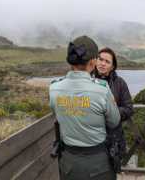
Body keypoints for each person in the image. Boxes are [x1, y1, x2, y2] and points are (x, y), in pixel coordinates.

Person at [49, 36, 120, 180]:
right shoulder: (102, 89)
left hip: (68, 162)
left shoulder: (54, 88)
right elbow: (114, 121)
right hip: (98, 163)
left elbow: (56, 114)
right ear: (93, 62)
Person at [92, 47, 134, 173]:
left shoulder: (120, 83)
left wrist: (111, 110)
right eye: (100, 59)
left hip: (113, 139)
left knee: (110, 173)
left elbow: (129, 109)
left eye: (107, 61)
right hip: (92, 139)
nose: (102, 63)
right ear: (95, 61)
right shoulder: (87, 80)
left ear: (113, 66)